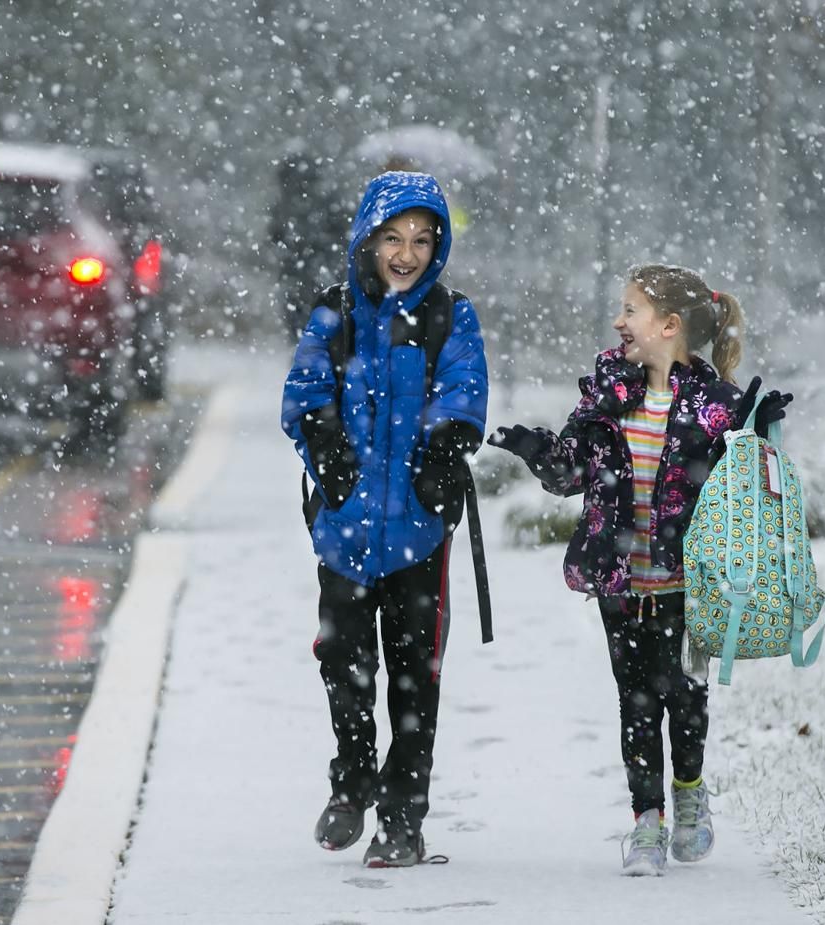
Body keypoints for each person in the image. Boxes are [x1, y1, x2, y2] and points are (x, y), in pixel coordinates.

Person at [487, 264, 791, 876]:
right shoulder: (607, 397)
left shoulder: (717, 409)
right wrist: (533, 449)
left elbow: (750, 498)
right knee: (635, 701)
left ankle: (688, 791)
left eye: (630, 311)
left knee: (686, 697)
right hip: (622, 583)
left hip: (692, 588)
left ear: (670, 325)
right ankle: (646, 822)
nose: (618, 322)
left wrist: (759, 435)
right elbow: (573, 475)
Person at [281, 171, 488, 868]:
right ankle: (352, 778)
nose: (407, 253)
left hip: (419, 533)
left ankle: (403, 817)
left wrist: (444, 448)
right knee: (343, 664)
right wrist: (328, 447)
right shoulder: (333, 312)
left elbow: (466, 390)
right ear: (367, 239)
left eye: (422, 240)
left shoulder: (449, 316)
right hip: (343, 527)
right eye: (394, 238)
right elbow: (304, 393)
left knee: (413, 678)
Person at [269, 152, 348, 343]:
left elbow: (274, 235)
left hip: (306, 274)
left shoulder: (289, 203)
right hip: (315, 274)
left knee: (303, 328)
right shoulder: (326, 198)